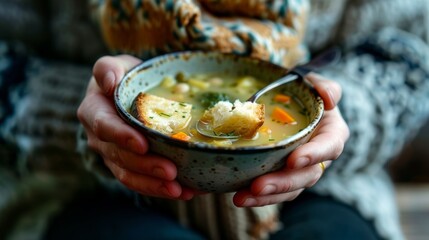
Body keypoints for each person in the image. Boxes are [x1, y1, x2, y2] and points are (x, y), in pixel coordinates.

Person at [0, 0, 428, 240]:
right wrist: (78, 119)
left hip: (332, 190)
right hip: (74, 190)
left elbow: (413, 49)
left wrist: (335, 116)